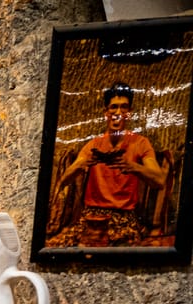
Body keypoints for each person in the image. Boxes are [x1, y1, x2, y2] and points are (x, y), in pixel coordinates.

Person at [56, 83, 169, 247]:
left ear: (129, 113)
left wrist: (132, 166)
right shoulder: (93, 145)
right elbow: (64, 180)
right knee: (76, 251)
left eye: (124, 108)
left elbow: (159, 181)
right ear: (106, 113)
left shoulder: (140, 143)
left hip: (123, 217)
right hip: (92, 216)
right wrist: (82, 165)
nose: (118, 113)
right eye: (113, 107)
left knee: (118, 254)